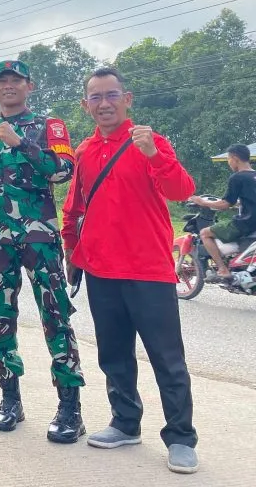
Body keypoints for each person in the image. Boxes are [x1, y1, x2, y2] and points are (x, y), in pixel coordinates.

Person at [61, 66, 199, 475]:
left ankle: (181, 437)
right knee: (114, 354)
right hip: (102, 269)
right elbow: (75, 205)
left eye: (111, 95)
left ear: (128, 99)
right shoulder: (85, 150)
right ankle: (125, 423)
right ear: (86, 105)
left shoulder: (150, 141)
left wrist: (154, 155)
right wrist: (72, 251)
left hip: (148, 269)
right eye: (96, 97)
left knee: (166, 358)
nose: (104, 104)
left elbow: (182, 190)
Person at [0, 60, 85, 443]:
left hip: (39, 240)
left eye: (16, 80)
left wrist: (21, 143)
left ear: (30, 86)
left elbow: (62, 171)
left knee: (56, 317)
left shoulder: (49, 126)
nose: (9, 86)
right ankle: (10, 399)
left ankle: (69, 408)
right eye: (2, 81)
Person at [189, 143, 256, 280]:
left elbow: (225, 203)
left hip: (246, 223)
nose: (229, 163)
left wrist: (202, 202)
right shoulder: (253, 176)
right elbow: (248, 199)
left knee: (205, 233)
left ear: (235, 158)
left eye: (229, 159)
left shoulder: (237, 177)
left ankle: (222, 269)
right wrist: (237, 204)